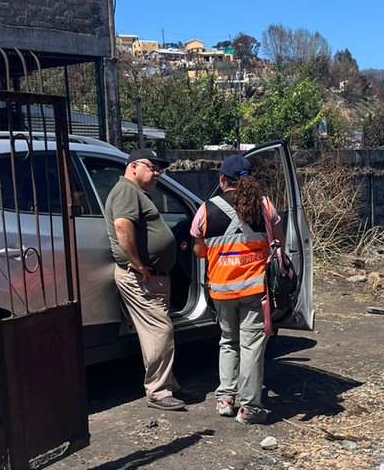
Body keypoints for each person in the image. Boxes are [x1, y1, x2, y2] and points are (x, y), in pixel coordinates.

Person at [191, 154, 284, 424]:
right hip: (255, 288)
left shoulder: (206, 209)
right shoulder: (265, 206)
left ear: (222, 179)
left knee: (227, 341)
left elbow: (199, 251)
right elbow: (277, 243)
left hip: (221, 289)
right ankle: (250, 408)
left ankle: (225, 398)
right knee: (252, 345)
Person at [103, 149, 184, 411]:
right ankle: (159, 392)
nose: (158, 172)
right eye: (152, 166)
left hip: (151, 277)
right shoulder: (127, 190)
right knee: (160, 331)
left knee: (155, 333)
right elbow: (122, 226)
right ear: (134, 166)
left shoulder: (137, 193)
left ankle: (168, 384)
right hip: (141, 277)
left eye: (160, 168)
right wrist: (138, 264)